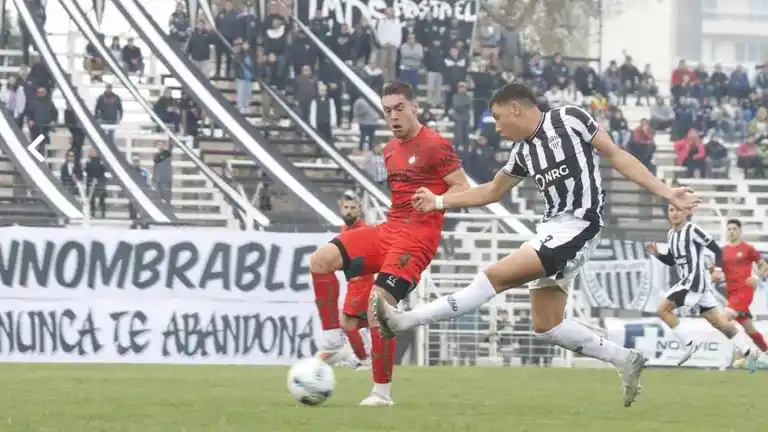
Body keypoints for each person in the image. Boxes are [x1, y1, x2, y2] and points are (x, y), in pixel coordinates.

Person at [372, 81, 700, 408]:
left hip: (579, 227)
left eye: (499, 118)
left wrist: (667, 192)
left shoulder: (570, 119)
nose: (498, 128)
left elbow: (617, 156)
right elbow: (490, 192)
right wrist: (440, 202)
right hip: (553, 230)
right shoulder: (524, 152)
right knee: (547, 326)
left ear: (516, 109)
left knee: (492, 278)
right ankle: (625, 358)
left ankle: (405, 321)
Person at [309, 81, 469, 406]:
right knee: (320, 260)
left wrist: (437, 200)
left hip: (416, 240)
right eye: (387, 111)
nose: (393, 116)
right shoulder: (389, 150)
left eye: (399, 108)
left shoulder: (436, 145)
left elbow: (463, 189)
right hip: (387, 231)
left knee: (378, 304)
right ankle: (332, 339)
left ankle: (381, 392)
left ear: (415, 107)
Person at [646, 207, 760, 372]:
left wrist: (719, 270)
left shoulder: (692, 230)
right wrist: (657, 254)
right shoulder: (671, 234)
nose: (675, 213)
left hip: (693, 282)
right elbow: (671, 260)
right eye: (671, 210)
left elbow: (716, 250)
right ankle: (750, 351)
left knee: (663, 309)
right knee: (719, 323)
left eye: (678, 210)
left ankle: (689, 344)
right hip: (697, 285)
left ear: (686, 213)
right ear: (668, 214)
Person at [314, 191, 374, 371]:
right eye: (346, 207)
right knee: (354, 324)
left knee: (347, 323)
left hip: (362, 283)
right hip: (354, 284)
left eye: (352, 208)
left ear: (359, 210)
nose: (349, 211)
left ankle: (362, 360)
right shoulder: (345, 230)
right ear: (341, 208)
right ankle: (356, 358)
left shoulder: (363, 231)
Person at [721, 219, 768, 358]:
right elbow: (717, 272)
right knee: (750, 330)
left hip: (744, 292)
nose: (732, 231)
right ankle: (765, 350)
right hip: (731, 294)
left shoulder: (747, 248)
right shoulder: (723, 251)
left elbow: (764, 265)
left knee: (722, 319)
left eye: (734, 229)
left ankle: (747, 352)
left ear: (740, 230)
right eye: (729, 229)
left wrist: (756, 277)